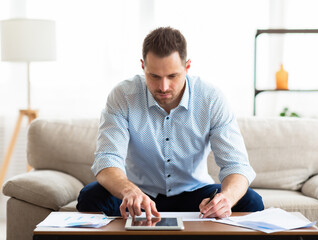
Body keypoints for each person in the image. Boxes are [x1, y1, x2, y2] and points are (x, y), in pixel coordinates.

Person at [76, 27, 264, 220]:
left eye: (172, 76)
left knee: (251, 201)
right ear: (143, 66)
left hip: (195, 193)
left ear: (187, 66)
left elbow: (236, 165)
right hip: (139, 197)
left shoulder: (211, 98)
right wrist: (128, 191)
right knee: (90, 196)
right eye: (154, 76)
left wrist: (226, 199)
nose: (163, 87)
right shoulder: (123, 95)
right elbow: (107, 159)